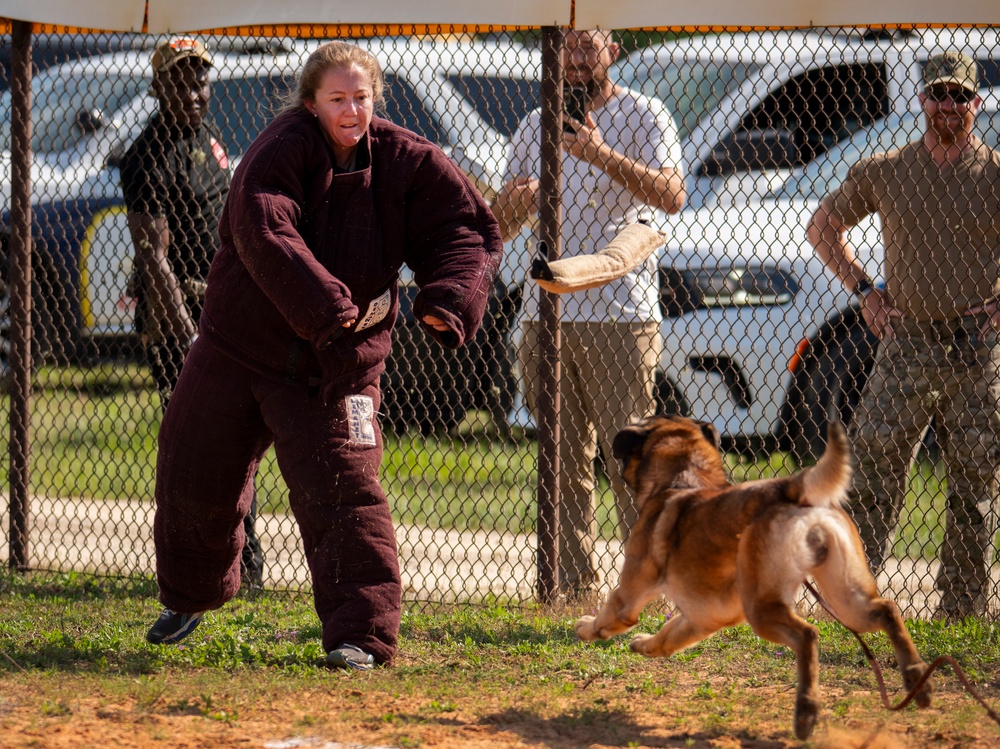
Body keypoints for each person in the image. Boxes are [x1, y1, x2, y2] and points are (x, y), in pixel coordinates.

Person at [143, 41, 502, 668]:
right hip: (239, 347)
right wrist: (328, 305)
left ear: (376, 99)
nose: (351, 109)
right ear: (311, 103)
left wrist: (448, 297)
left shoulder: (407, 161)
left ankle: (358, 636)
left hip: (336, 366)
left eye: (361, 97)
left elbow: (463, 227)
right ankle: (190, 596)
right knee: (190, 463)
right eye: (337, 98)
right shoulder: (280, 148)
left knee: (346, 493)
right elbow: (263, 224)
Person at [491, 29, 686, 595]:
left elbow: (673, 196)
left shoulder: (644, 115)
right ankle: (572, 589)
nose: (574, 58)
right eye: (566, 46)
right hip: (544, 313)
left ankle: (646, 587)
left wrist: (597, 153)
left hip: (618, 314)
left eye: (587, 46)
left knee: (628, 459)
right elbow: (501, 230)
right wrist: (513, 202)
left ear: (612, 52)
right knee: (560, 463)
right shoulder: (533, 124)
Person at [807, 51, 1000, 620]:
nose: (950, 106)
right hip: (906, 340)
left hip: (975, 344)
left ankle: (961, 609)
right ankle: (850, 597)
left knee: (976, 479)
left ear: (976, 103)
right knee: (871, 470)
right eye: (940, 95)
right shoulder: (887, 169)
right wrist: (864, 288)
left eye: (961, 96)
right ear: (921, 101)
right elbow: (823, 226)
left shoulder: (994, 174)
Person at [121, 38, 266, 589]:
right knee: (202, 443)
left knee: (242, 435)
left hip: (222, 305)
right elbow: (153, 258)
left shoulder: (208, 139)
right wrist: (190, 338)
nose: (193, 91)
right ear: (158, 88)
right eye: (180, 81)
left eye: (200, 80)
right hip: (179, 317)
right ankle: (212, 564)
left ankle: (243, 559)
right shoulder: (146, 156)